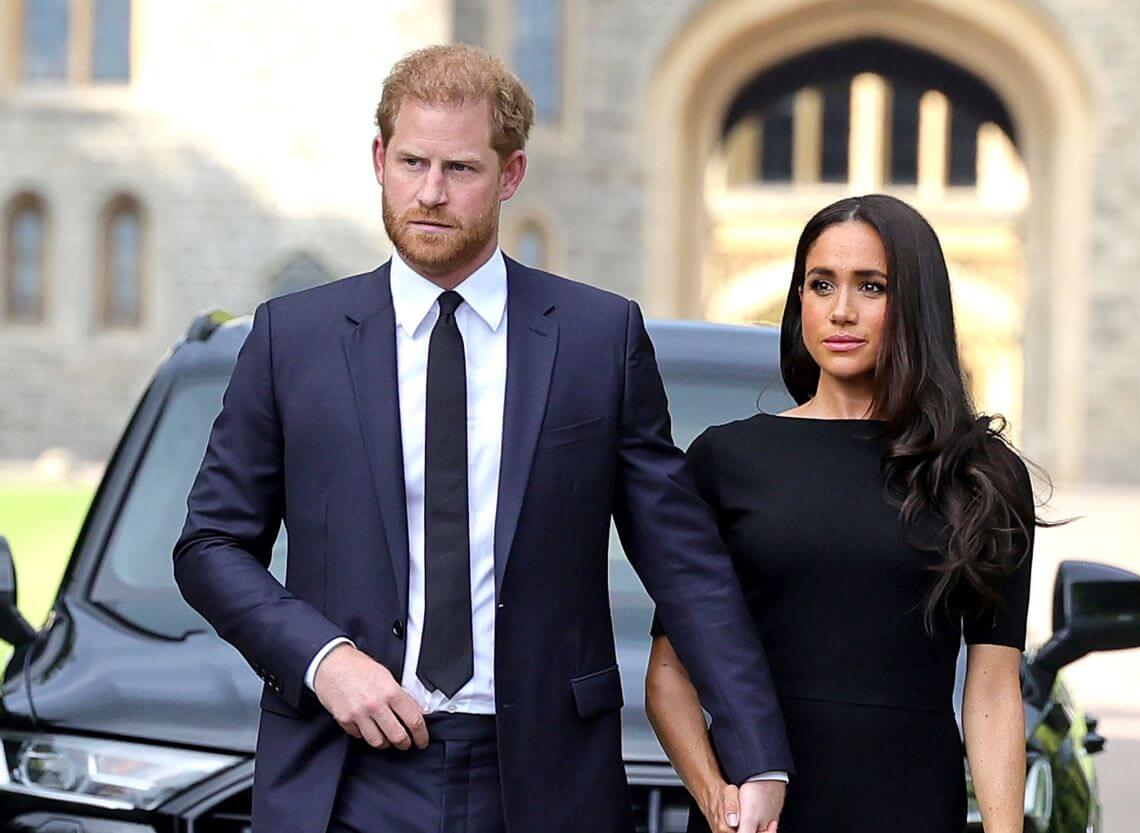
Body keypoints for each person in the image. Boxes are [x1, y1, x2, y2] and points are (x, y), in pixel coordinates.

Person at [173, 44, 792, 833]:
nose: (431, 193)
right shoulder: (292, 338)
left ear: (510, 174)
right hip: (342, 772)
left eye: (461, 169)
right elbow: (210, 545)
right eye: (412, 162)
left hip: (541, 777)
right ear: (378, 159)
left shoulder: (599, 337)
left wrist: (756, 754)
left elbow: (686, 563)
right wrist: (325, 660)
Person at [646, 194, 1041, 833]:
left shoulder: (981, 475)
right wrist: (719, 802)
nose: (841, 311)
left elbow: (994, 689)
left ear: (915, 303)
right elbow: (670, 672)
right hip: (759, 817)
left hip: (911, 808)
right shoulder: (727, 458)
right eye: (821, 284)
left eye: (872, 287)